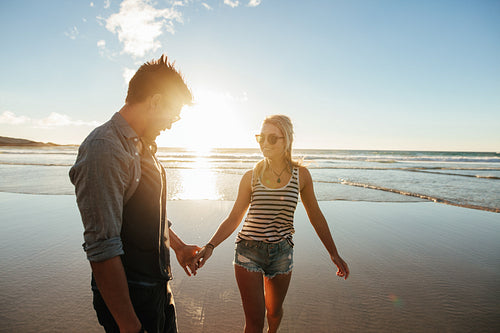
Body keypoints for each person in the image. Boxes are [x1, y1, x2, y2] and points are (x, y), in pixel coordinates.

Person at [69, 55, 199, 333]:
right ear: (155, 101)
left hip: (157, 289)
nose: (173, 123)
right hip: (131, 300)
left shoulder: (142, 144)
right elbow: (102, 247)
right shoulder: (104, 148)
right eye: (174, 113)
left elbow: (146, 213)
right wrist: (130, 326)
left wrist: (178, 247)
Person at [193, 115, 350, 333]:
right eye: (261, 138)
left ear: (286, 140)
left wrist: (333, 253)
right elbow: (234, 218)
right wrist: (210, 246)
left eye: (272, 139)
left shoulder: (301, 176)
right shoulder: (251, 176)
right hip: (248, 251)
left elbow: (315, 215)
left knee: (274, 313)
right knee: (254, 322)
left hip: (282, 253)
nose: (265, 144)